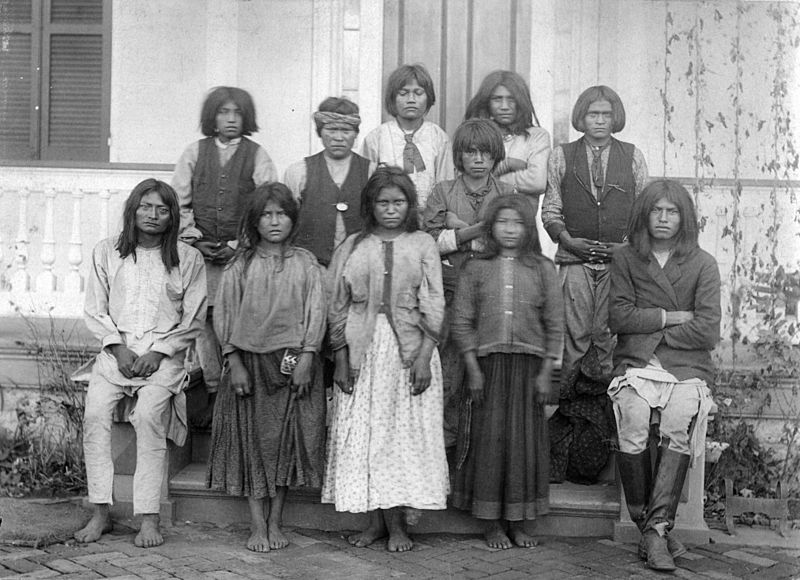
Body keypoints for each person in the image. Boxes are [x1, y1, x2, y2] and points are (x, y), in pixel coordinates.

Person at [322, 166, 449, 552]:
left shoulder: (423, 243)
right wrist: (341, 357)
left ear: (410, 205)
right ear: (370, 206)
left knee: (399, 438)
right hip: (364, 351)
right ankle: (375, 523)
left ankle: (398, 527)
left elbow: (434, 302)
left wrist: (425, 356)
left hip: (409, 352)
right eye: (382, 202)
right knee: (367, 436)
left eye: (399, 202)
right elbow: (337, 306)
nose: (391, 209)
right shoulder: (353, 246)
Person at [75, 179, 207, 548]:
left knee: (149, 415)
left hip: (163, 358)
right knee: (95, 415)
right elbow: (95, 309)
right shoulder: (107, 252)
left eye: (162, 209)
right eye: (145, 207)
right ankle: (100, 510)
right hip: (116, 355)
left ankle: (149, 517)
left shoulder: (188, 258)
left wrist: (159, 352)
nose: (152, 215)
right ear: (133, 210)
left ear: (172, 217)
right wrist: (117, 349)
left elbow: (193, 319)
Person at [206, 183, 326, 552]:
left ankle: (277, 521)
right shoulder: (240, 265)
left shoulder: (306, 263)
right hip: (250, 365)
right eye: (266, 215)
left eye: (282, 214)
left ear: (293, 218)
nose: (274, 222)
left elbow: (316, 312)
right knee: (253, 444)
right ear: (254, 221)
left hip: (293, 363)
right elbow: (223, 316)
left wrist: (307, 356)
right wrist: (234, 361)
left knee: (284, 444)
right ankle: (257, 524)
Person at [608, 180, 720, 571]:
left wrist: (650, 326)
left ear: (683, 217)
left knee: (677, 420)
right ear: (645, 213)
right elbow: (619, 317)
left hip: (687, 367)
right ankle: (652, 527)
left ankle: (653, 530)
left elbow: (708, 330)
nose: (664, 218)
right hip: (637, 362)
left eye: (672, 211)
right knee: (633, 419)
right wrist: (671, 317)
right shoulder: (625, 258)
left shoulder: (703, 264)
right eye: (657, 210)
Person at [450, 195, 563, 549]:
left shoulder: (542, 269)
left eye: (517, 223)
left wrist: (547, 372)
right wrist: (473, 368)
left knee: (522, 447)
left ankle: (518, 522)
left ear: (528, 228)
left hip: (529, 370)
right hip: (488, 368)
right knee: (491, 444)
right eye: (502, 222)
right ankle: (491, 524)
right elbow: (462, 322)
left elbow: (555, 324)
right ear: (490, 227)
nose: (510, 229)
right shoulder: (476, 269)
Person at [172, 86, 278, 428]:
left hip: (241, 258)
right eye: (223, 112)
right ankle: (216, 394)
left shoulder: (257, 155)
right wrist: (195, 240)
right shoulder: (194, 153)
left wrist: (240, 243)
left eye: (237, 113)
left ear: (246, 117)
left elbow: (267, 204)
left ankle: (242, 395)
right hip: (201, 258)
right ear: (212, 117)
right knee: (205, 324)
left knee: (239, 322)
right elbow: (179, 203)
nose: (230, 119)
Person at [541, 85, 648, 381]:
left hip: (618, 263)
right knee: (575, 334)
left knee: (607, 334)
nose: (600, 120)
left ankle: (607, 408)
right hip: (575, 262)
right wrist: (567, 240)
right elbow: (550, 208)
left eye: (606, 114)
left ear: (615, 118)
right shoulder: (562, 156)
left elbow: (642, 212)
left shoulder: (632, 157)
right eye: (593, 114)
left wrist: (625, 248)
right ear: (581, 117)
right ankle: (573, 412)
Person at [422, 118, 515, 449]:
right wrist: (477, 230)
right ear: (459, 155)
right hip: (450, 296)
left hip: (493, 299)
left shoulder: (507, 194)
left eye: (486, 153)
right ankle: (442, 456)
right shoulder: (442, 191)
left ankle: (477, 462)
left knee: (488, 381)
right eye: (470, 152)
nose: (478, 159)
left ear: (496, 156)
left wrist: (458, 230)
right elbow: (429, 241)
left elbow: (511, 242)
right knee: (448, 376)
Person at [284, 96, 375, 268]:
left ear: (356, 134)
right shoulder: (299, 172)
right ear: (319, 132)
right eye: (331, 130)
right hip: (310, 266)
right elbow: (288, 221)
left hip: (359, 267)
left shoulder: (371, 172)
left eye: (346, 131)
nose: (338, 137)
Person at [361, 64, 454, 212]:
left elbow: (446, 184)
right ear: (392, 98)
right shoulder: (376, 138)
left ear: (428, 98)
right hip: (389, 217)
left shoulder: (439, 138)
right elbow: (367, 185)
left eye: (418, 93)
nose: (411, 99)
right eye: (403, 93)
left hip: (429, 218)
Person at [464, 70, 551, 212]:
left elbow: (537, 181)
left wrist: (493, 176)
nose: (504, 106)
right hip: (478, 220)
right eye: (497, 99)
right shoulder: (476, 135)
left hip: (520, 223)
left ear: (521, 101)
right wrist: (509, 164)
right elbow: (466, 182)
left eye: (511, 99)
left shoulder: (537, 136)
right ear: (487, 102)